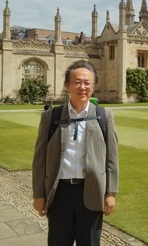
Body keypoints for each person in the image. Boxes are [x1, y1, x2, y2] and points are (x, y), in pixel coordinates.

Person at [32, 60, 119, 246]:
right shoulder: (51, 117)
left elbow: (112, 158)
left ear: (93, 86)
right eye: (77, 82)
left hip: (92, 191)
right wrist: (38, 195)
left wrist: (110, 192)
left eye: (87, 83)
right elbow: (39, 159)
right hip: (59, 192)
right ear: (67, 85)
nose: (82, 87)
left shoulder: (104, 116)